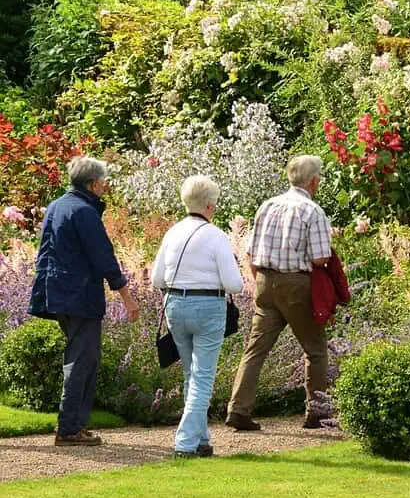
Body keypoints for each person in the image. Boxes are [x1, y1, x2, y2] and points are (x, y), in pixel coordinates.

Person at [28, 156, 140, 447]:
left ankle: (75, 424)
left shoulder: (57, 206)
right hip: (79, 295)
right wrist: (127, 297)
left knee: (82, 357)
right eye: (103, 184)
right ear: (92, 184)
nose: (105, 188)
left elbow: (45, 253)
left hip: (58, 292)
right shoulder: (84, 212)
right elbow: (103, 257)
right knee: (82, 360)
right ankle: (69, 429)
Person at [226, 155, 333, 431]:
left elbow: (251, 253)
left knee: (256, 349)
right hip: (296, 285)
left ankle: (238, 408)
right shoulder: (312, 211)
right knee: (315, 350)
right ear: (314, 180)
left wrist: (259, 281)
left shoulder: (268, 206)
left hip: (265, 282)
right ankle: (317, 413)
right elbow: (322, 258)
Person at [152, 176, 244, 458]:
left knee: (191, 374)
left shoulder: (173, 232)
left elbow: (157, 278)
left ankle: (202, 438)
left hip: (175, 306)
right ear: (209, 205)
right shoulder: (215, 236)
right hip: (208, 307)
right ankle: (186, 442)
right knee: (203, 376)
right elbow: (235, 284)